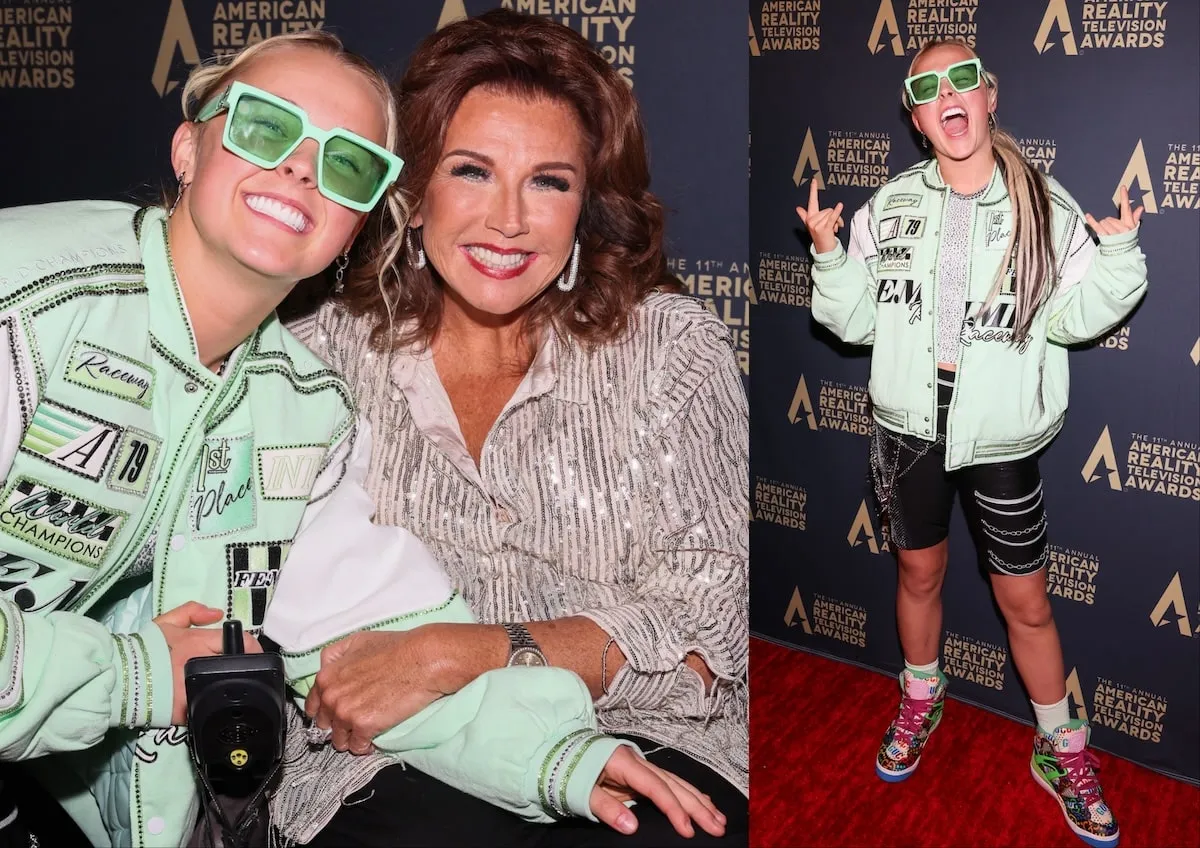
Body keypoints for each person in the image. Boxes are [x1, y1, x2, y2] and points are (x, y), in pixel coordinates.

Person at [0, 30, 725, 848]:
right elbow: (160, 675)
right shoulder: (23, 298)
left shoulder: (299, 402)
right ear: (188, 146)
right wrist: (131, 676)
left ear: (362, 219)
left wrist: (557, 754)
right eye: (265, 128)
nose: (303, 170)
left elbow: (355, 622)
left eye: (346, 163)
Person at [281, 9, 749, 847]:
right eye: (471, 171)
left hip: (646, 734)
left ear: (584, 206)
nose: (507, 220)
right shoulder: (320, 358)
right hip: (395, 751)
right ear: (414, 194)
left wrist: (451, 653)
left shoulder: (672, 351)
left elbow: (710, 641)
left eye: (548, 181)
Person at [800, 38, 1146, 848]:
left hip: (1001, 436)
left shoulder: (1046, 205)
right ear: (918, 118)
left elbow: (1073, 318)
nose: (949, 96)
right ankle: (922, 696)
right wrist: (827, 255)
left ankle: (1062, 747)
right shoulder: (886, 207)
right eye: (929, 88)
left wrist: (1120, 257)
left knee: (1025, 599)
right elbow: (851, 323)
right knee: (918, 574)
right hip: (907, 431)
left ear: (988, 96)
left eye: (963, 80)